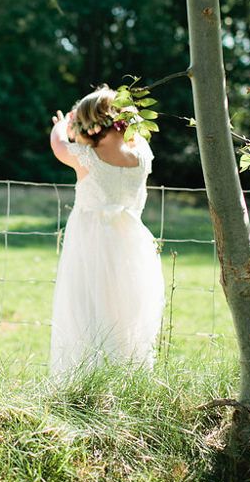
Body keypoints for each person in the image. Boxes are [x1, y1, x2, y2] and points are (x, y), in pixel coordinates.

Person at [48, 85, 164, 375]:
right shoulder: (142, 156)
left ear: (87, 124)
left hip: (91, 244)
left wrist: (61, 125)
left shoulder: (86, 159)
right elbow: (132, 140)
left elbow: (58, 145)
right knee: (127, 309)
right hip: (131, 245)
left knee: (87, 306)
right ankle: (127, 373)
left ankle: (86, 374)